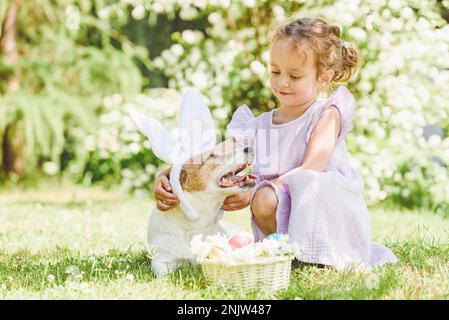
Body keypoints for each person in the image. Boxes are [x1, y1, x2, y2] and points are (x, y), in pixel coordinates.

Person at [153, 16, 397, 269]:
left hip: (325, 206)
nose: (282, 82)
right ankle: (282, 255)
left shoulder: (326, 114)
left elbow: (311, 168)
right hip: (281, 201)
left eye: (294, 76)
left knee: (265, 197)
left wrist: (256, 190)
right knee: (264, 197)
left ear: (323, 77)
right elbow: (213, 156)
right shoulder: (260, 126)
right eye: (276, 71)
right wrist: (170, 174)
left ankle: (311, 255)